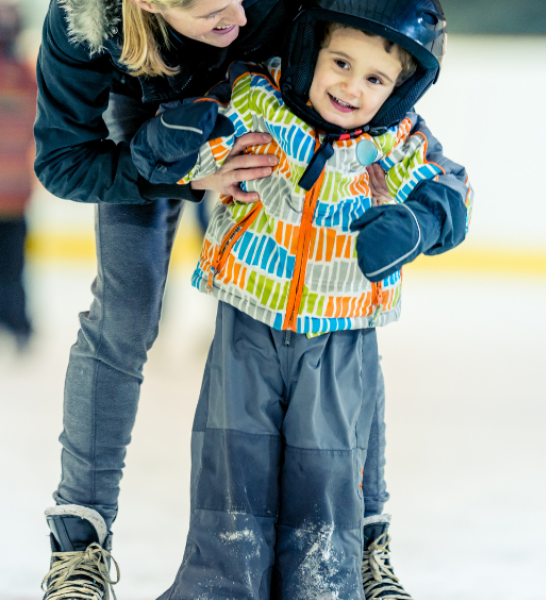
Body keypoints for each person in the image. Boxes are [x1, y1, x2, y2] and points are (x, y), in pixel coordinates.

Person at [33, 0, 468, 598]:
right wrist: (179, 171)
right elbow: (63, 162)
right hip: (149, 127)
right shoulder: (83, 26)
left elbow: (378, 64)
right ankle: (79, 543)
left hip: (267, 95)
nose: (238, 12)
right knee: (123, 318)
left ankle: (366, 541)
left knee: (340, 323)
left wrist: (424, 208)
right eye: (214, 10)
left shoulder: (262, 10)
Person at [0, 1, 35, 352]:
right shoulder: (24, 75)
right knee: (12, 266)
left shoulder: (25, 75)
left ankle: (19, 324)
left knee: (13, 266)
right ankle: (18, 325)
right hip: (15, 190)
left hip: (14, 192)